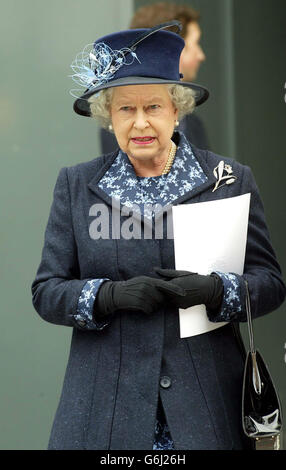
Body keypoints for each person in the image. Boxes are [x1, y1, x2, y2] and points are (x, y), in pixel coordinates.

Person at [31, 22, 286, 450]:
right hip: (105, 413)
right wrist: (106, 296)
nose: (140, 122)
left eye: (153, 106)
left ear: (177, 109)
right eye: (125, 110)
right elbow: (46, 292)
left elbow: (271, 285)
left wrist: (214, 290)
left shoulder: (228, 179)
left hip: (206, 409)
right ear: (108, 118)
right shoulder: (77, 185)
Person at [100, 2, 209, 155]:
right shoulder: (119, 131)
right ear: (172, 50)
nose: (200, 55)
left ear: (176, 112)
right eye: (195, 45)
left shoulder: (194, 124)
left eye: (154, 107)